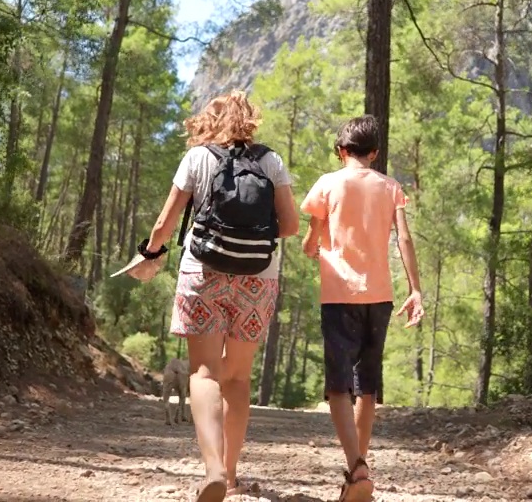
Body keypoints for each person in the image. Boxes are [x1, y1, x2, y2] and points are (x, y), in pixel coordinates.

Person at [128, 91, 300, 502]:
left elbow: (165, 223)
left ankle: (213, 470)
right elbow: (291, 226)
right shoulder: (270, 161)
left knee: (203, 372)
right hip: (258, 277)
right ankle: (234, 473)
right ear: (251, 122)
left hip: (203, 271)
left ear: (208, 121)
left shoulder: (198, 158)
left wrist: (150, 254)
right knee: (237, 377)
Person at [300, 114, 424, 502]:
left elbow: (310, 245)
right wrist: (416, 289)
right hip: (381, 297)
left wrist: (320, 248)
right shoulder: (391, 188)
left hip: (339, 296)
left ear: (341, 151)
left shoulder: (326, 185)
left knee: (338, 388)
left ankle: (357, 468)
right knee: (366, 388)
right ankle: (358, 472)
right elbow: (403, 238)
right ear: (374, 153)